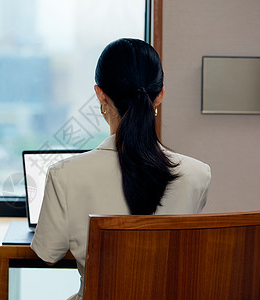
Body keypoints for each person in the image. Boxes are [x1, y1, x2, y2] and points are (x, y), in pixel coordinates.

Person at [30, 38, 211, 300]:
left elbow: (49, 255)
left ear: (100, 94)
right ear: (159, 95)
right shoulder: (198, 175)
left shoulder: (65, 175)